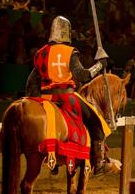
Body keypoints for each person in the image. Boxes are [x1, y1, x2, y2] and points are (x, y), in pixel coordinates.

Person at [25, 16, 114, 176]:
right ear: (67, 32)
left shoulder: (41, 53)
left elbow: (31, 81)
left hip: (46, 99)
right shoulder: (69, 51)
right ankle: (99, 163)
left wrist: (34, 100)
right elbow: (82, 76)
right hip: (68, 98)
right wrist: (100, 65)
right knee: (96, 122)